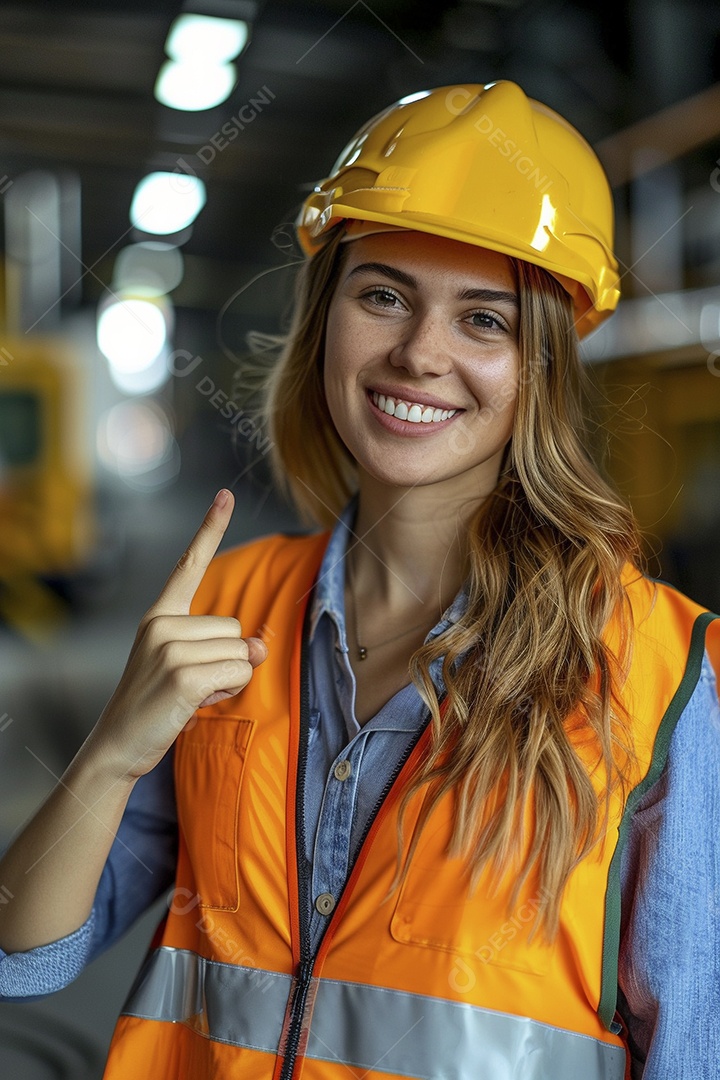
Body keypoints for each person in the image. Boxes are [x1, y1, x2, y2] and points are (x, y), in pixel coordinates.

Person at [0, 80, 719, 1080]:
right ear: (326, 317)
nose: (420, 354)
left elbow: (695, 1047)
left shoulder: (660, 674)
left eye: (485, 320)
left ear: (543, 366)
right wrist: (113, 751)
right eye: (383, 294)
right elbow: (24, 961)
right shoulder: (226, 608)